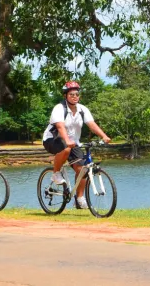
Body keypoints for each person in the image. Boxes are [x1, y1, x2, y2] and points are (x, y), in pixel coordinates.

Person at [42, 80, 111, 209]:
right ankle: (56, 173)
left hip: (73, 143)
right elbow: (60, 127)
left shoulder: (82, 109)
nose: (75, 97)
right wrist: (67, 141)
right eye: (71, 94)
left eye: (77, 94)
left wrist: (104, 136)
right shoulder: (59, 108)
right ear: (65, 96)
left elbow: (91, 124)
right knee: (66, 148)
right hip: (52, 140)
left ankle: (79, 199)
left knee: (82, 170)